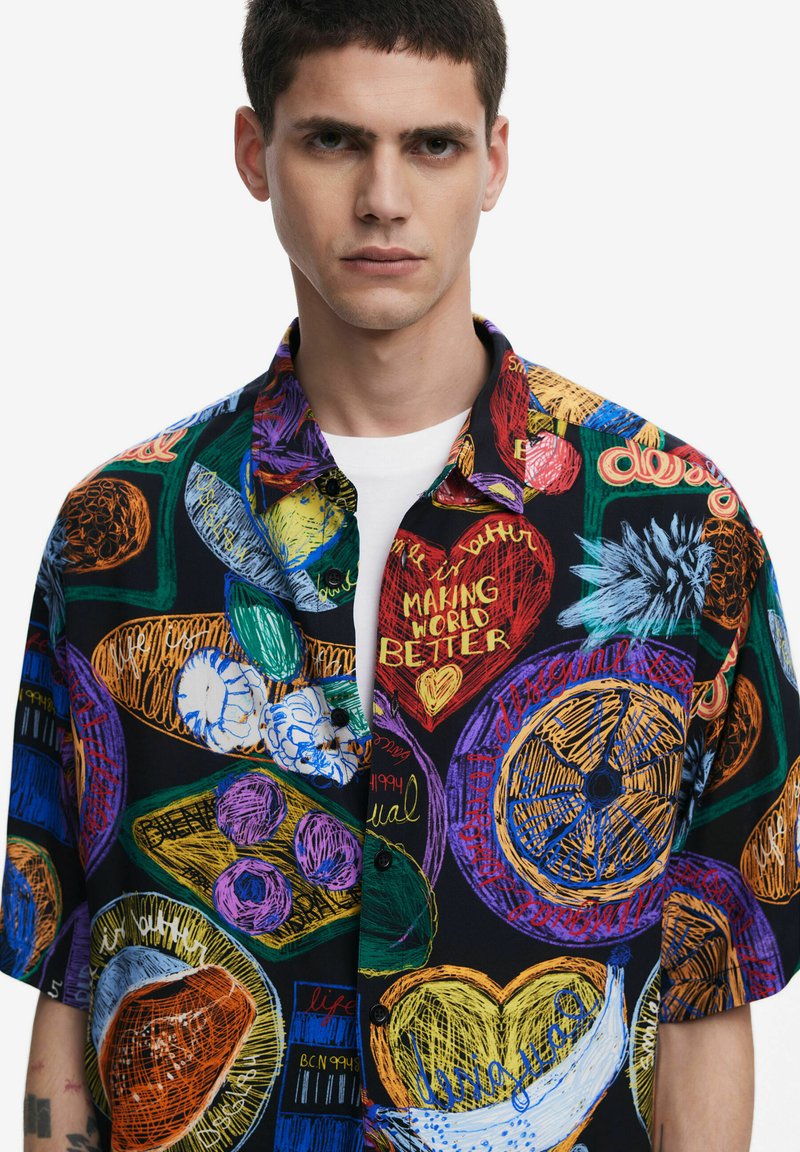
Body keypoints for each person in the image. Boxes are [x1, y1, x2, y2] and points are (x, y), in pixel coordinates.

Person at [1, 1, 798, 1149]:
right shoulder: (116, 538)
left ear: (493, 160)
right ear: (253, 153)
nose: (382, 198)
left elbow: (707, 985)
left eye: (431, 144)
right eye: (333, 140)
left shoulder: (678, 526)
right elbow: (74, 970)